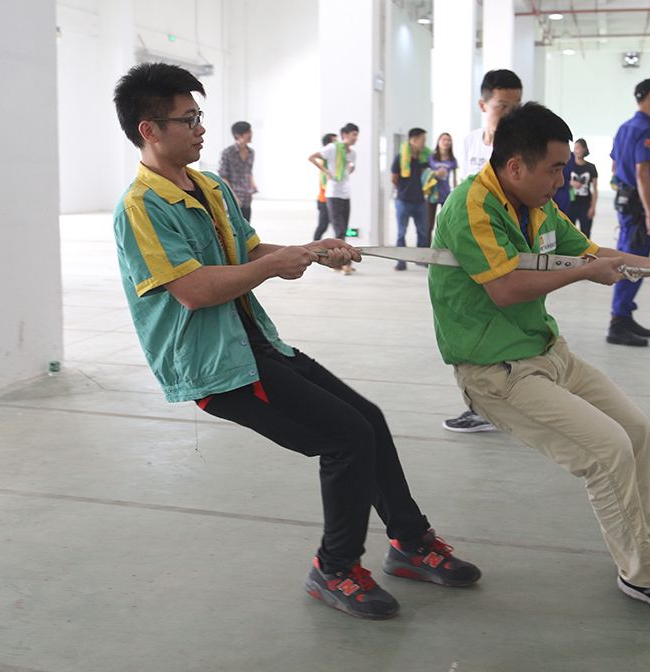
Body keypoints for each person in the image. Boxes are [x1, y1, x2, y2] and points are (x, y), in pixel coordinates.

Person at [112, 63, 480, 621]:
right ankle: (335, 569)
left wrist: (309, 251)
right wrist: (274, 265)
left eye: (199, 116)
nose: (201, 128)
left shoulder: (208, 186)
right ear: (150, 130)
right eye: (188, 119)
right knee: (345, 438)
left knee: (368, 419)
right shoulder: (141, 207)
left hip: (255, 342)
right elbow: (193, 290)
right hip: (217, 367)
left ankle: (410, 542)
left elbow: (248, 251)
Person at [428, 101, 650, 621]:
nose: (562, 180)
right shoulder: (471, 205)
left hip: (547, 353)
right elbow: (506, 288)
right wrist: (584, 273)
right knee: (607, 450)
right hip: (496, 373)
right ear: (515, 166)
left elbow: (591, 253)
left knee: (635, 431)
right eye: (555, 169)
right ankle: (643, 574)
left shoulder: (538, 204)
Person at [443, 69, 522, 433]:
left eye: (516, 106)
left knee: (503, 327)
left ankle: (496, 408)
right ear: (483, 105)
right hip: (474, 246)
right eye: (502, 106)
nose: (510, 114)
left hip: (507, 246)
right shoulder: (471, 142)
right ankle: (487, 406)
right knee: (474, 325)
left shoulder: (521, 148)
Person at [607, 78, 650, 347]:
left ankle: (624, 315)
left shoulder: (625, 127)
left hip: (627, 202)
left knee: (631, 258)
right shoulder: (644, 128)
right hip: (638, 207)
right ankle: (618, 323)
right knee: (634, 262)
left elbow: (614, 167)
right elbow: (642, 172)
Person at [309, 123, 359, 275]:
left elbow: (350, 167)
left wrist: (350, 168)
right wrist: (327, 172)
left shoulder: (352, 153)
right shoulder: (332, 148)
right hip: (333, 195)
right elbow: (312, 157)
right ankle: (345, 264)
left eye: (357, 135)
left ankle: (338, 263)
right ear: (344, 135)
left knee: (342, 230)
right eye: (353, 134)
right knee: (340, 230)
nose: (356, 138)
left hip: (346, 194)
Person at [390, 128, 432, 271]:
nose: (424, 143)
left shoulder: (424, 158)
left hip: (420, 201)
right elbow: (394, 178)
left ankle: (421, 259)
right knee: (401, 233)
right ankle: (401, 262)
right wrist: (404, 190)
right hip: (403, 201)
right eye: (422, 140)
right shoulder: (400, 157)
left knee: (423, 232)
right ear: (413, 140)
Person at [217, 120, 257, 222]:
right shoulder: (228, 153)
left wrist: (252, 185)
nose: (251, 134)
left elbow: (249, 171)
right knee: (234, 227)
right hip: (233, 198)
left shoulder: (251, 152)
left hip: (246, 198)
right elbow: (223, 177)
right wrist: (233, 196)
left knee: (247, 227)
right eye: (248, 132)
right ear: (238, 135)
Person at [426, 132, 458, 239]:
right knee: (428, 225)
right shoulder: (431, 158)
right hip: (432, 194)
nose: (446, 142)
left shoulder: (452, 160)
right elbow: (425, 174)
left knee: (445, 224)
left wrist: (455, 194)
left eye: (449, 140)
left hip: (446, 194)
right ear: (438, 142)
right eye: (444, 139)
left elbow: (454, 179)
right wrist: (435, 173)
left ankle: (443, 245)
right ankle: (426, 247)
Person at [567, 138, 598, 238]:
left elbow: (595, 189)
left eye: (579, 148)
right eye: (575, 148)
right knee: (569, 233)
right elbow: (562, 181)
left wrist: (593, 207)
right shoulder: (568, 166)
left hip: (585, 205)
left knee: (586, 234)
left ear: (584, 149)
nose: (576, 150)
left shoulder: (591, 167)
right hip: (571, 204)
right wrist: (571, 183)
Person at [313, 133, 335, 241]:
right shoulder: (325, 163)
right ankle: (314, 245)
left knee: (331, 225)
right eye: (335, 142)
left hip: (328, 199)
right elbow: (324, 183)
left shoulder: (331, 162)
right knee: (323, 226)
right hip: (324, 200)